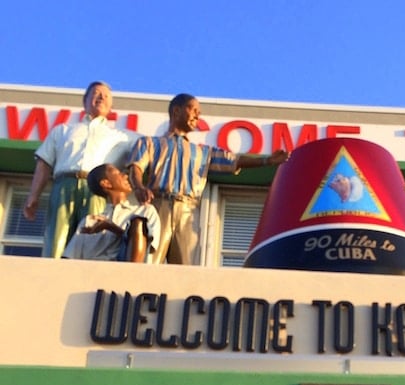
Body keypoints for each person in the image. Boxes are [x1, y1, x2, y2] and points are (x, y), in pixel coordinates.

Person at [128, 93, 289, 265]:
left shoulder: (202, 152)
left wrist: (267, 161)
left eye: (199, 111)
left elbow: (234, 160)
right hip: (159, 205)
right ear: (176, 111)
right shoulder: (150, 143)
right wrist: (138, 187)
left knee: (186, 266)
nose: (198, 115)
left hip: (188, 210)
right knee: (150, 260)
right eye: (193, 109)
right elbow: (136, 167)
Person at [23, 81, 137, 258]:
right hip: (63, 186)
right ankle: (50, 278)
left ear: (111, 106)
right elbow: (44, 164)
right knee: (56, 240)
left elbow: (150, 149)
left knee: (92, 238)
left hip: (97, 191)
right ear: (85, 101)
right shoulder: (62, 130)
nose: (100, 97)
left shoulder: (123, 137)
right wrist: (33, 196)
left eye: (105, 96)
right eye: (96, 93)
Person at [63, 164, 160, 263]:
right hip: (93, 273)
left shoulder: (145, 211)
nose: (126, 176)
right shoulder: (90, 221)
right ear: (106, 183)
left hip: (126, 272)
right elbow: (69, 257)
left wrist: (112, 228)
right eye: (119, 173)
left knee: (137, 223)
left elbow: (147, 248)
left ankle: (131, 276)